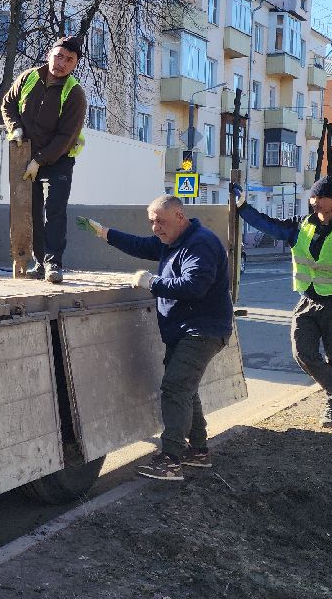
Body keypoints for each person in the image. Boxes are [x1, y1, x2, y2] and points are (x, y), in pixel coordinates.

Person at [77, 197, 234, 482]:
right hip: (186, 330)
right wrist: (103, 232)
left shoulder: (200, 243)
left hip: (202, 330)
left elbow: (194, 286)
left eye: (160, 221)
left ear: (180, 216)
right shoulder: (172, 240)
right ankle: (198, 451)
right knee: (186, 388)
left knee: (175, 388)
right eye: (152, 221)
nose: (155, 228)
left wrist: (152, 282)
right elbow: (140, 245)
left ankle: (171, 459)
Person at [231, 176, 332, 429]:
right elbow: (267, 225)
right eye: (313, 197)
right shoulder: (300, 227)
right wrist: (242, 206)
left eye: (321, 197)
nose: (315, 201)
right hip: (307, 301)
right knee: (302, 353)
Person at [0, 35, 87, 284]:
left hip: (58, 159)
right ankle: (39, 263)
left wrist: (39, 160)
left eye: (69, 60)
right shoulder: (28, 78)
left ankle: (53, 264)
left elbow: (66, 137)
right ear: (50, 54)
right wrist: (15, 128)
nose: (61, 63)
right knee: (32, 211)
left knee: (54, 211)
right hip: (26, 157)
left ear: (74, 65)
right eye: (59, 56)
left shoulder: (74, 94)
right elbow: (8, 104)